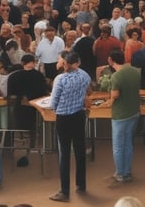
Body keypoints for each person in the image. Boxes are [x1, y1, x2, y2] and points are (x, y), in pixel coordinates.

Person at [48, 51, 91, 203]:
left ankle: (64, 191)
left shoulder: (60, 79)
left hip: (64, 118)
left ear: (67, 63)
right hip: (78, 116)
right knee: (79, 150)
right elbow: (88, 91)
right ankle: (81, 184)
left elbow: (53, 103)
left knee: (64, 154)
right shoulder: (85, 75)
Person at [104, 48, 141, 183]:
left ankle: (120, 173)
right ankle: (127, 171)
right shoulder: (135, 72)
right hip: (134, 111)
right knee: (128, 143)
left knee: (118, 146)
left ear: (110, 60)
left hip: (120, 115)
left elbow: (115, 95)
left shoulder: (116, 76)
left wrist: (109, 102)